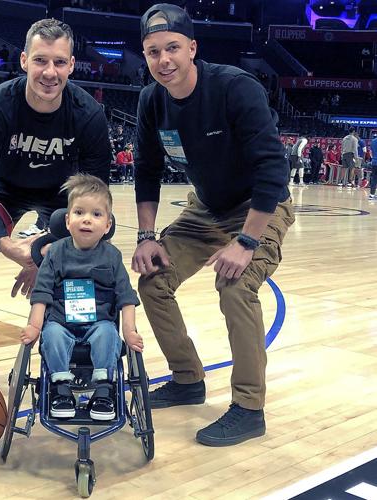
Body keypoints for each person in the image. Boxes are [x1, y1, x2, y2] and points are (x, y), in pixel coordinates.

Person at [132, 4, 294, 447]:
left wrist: (246, 241)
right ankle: (187, 379)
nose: (163, 60)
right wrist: (147, 236)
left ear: (192, 48)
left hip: (259, 206)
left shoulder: (235, 88)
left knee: (237, 287)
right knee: (153, 280)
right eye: (152, 52)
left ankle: (248, 408)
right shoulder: (151, 100)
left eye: (172, 48)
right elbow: (146, 172)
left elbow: (271, 172)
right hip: (206, 207)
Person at [0, 18, 111, 369]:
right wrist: (7, 245)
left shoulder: (89, 115)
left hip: (63, 198)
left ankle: (77, 347)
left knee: (88, 246)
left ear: (71, 65)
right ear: (24, 60)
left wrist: (48, 249)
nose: (50, 72)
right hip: (2, 191)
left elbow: (97, 200)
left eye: (59, 62)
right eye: (40, 60)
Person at [21, 174, 143, 420]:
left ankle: (103, 391)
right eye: (79, 212)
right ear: (67, 220)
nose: (87, 219)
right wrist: (34, 326)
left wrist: (129, 331)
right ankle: (61, 390)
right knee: (51, 333)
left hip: (98, 323)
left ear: (108, 225)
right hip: (61, 322)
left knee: (109, 333)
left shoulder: (112, 256)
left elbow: (125, 297)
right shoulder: (55, 252)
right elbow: (42, 293)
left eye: (96, 214)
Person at [369, 132, 377, 199]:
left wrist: (373, 158)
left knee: (374, 178)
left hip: (374, 162)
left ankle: (371, 195)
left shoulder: (373, 141)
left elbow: (370, 152)